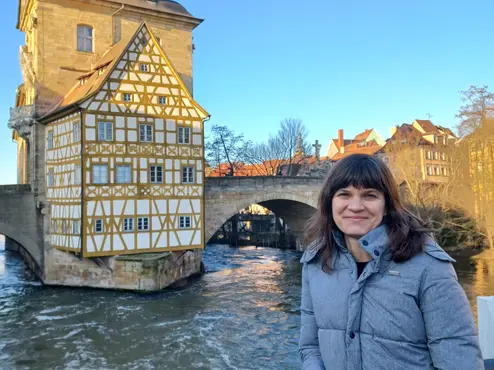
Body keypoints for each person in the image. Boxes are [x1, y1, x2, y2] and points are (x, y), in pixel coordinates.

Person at [298, 153, 484, 370]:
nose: (356, 206)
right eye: (344, 194)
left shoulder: (428, 266)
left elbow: (459, 359)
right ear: (330, 202)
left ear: (386, 205)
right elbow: (310, 346)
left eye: (369, 196)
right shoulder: (316, 263)